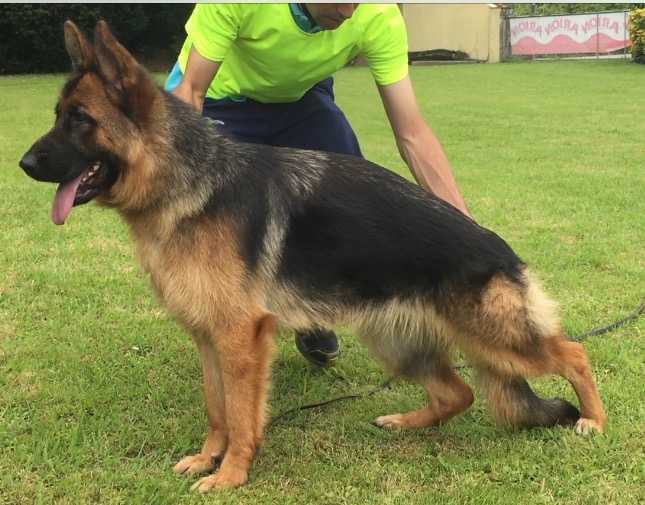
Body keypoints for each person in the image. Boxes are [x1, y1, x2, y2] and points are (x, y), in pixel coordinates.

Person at [165, 3, 470, 368]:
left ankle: (310, 307)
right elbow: (191, 91)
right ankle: (233, 317)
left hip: (298, 99)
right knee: (228, 215)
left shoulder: (378, 13)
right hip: (222, 98)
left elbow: (413, 134)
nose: (348, 11)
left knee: (348, 193)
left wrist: (466, 230)